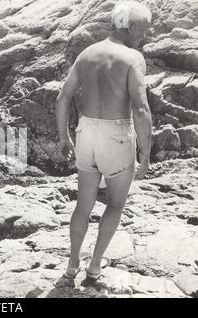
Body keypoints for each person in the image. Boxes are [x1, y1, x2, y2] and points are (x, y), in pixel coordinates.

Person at [55, 1, 152, 284]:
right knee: (115, 203)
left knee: (83, 206)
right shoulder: (132, 57)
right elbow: (141, 108)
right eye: (143, 28)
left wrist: (64, 137)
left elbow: (62, 98)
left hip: (86, 132)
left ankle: (72, 264)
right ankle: (95, 265)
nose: (144, 34)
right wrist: (145, 152)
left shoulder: (87, 53)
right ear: (130, 26)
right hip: (116, 134)